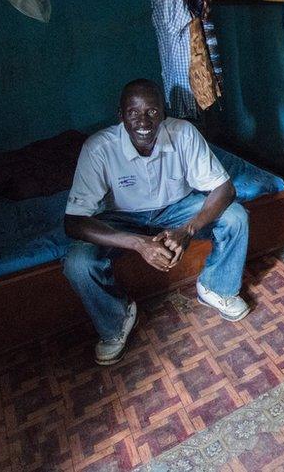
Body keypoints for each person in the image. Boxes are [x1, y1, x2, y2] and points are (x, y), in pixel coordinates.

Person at [63, 79, 250, 365]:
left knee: (236, 216)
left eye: (152, 112)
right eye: (133, 113)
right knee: (77, 262)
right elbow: (74, 223)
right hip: (121, 218)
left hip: (176, 209)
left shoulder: (184, 133)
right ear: (120, 115)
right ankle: (117, 320)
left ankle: (216, 287)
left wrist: (188, 229)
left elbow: (225, 189)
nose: (143, 121)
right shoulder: (99, 148)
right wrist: (140, 244)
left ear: (164, 112)